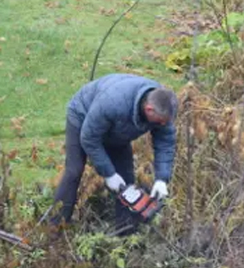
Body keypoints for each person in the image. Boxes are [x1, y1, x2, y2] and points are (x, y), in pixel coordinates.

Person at [51, 73, 178, 233]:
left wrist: (161, 179)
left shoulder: (163, 107)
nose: (163, 124)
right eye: (160, 121)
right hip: (83, 117)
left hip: (118, 131)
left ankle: (125, 234)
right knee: (74, 171)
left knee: (126, 180)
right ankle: (55, 227)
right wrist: (108, 173)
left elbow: (165, 142)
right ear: (149, 109)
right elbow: (89, 138)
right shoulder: (113, 103)